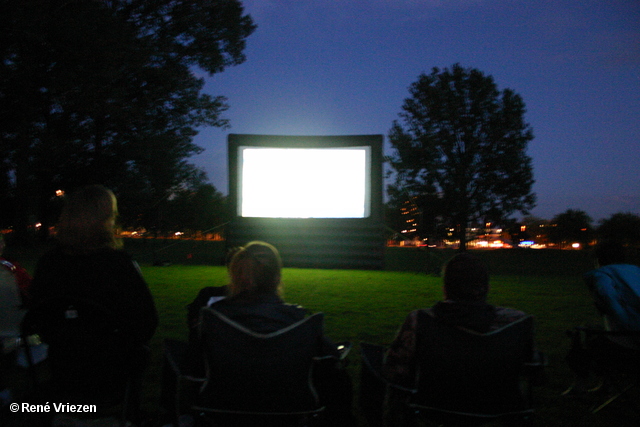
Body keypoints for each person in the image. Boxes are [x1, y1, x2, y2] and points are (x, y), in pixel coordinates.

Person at [191, 241, 355, 426]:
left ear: (234, 277)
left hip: (222, 411)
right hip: (290, 411)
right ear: (277, 277)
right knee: (337, 377)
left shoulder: (214, 319)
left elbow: (194, 362)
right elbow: (330, 356)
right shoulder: (300, 321)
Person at [381, 253, 536, 425]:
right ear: (486, 287)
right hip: (501, 410)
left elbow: (394, 370)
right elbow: (534, 373)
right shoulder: (516, 321)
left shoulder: (420, 320)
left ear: (445, 287)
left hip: (434, 407)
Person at [563, 240, 640, 395]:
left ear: (598, 259)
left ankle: (580, 385)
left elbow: (616, 310)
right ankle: (607, 384)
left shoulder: (603, 276)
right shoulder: (636, 272)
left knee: (583, 334)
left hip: (631, 347)